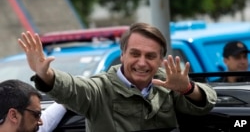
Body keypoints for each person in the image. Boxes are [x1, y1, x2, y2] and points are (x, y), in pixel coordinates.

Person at [18, 22, 217, 132]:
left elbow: (208, 102)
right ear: (122, 55)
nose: (142, 63)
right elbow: (73, 88)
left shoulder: (168, 84)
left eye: (150, 56)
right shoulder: (100, 90)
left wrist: (188, 89)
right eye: (135, 54)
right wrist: (46, 74)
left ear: (160, 60)